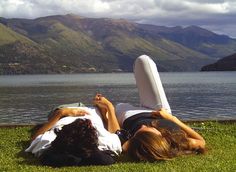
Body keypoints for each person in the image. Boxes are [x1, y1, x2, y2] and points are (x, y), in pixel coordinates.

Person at [115, 55, 206, 162]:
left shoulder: (133, 143)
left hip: (127, 115)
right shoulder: (176, 142)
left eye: (138, 131)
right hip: (159, 110)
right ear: (159, 137)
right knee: (143, 60)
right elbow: (201, 142)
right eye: (145, 130)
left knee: (118, 105)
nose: (143, 125)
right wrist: (172, 119)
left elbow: (120, 142)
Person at [25, 94, 122, 167]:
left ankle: (100, 111)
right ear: (94, 137)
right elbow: (117, 133)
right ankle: (101, 111)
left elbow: (34, 139)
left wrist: (61, 113)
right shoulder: (104, 142)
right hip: (92, 112)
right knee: (103, 116)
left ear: (61, 133)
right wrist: (109, 107)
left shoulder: (50, 141)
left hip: (65, 111)